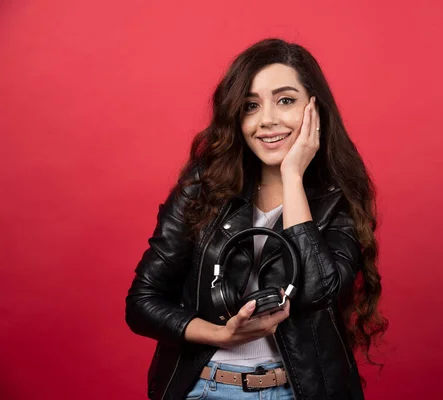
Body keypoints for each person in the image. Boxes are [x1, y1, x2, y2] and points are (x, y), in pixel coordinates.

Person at [125, 38, 387, 400]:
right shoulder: (203, 187)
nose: (267, 120)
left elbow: (317, 292)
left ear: (315, 107)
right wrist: (221, 334)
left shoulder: (338, 198)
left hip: (300, 392)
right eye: (251, 105)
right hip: (207, 388)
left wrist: (293, 176)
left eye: (285, 100)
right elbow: (142, 302)